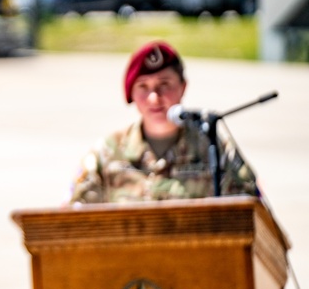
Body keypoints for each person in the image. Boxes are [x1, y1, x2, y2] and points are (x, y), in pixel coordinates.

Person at [68, 40, 260, 203]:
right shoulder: (108, 153)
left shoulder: (214, 150)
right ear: (131, 93)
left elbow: (253, 215)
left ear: (183, 87)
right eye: (143, 86)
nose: (154, 98)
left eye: (164, 84)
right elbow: (73, 220)